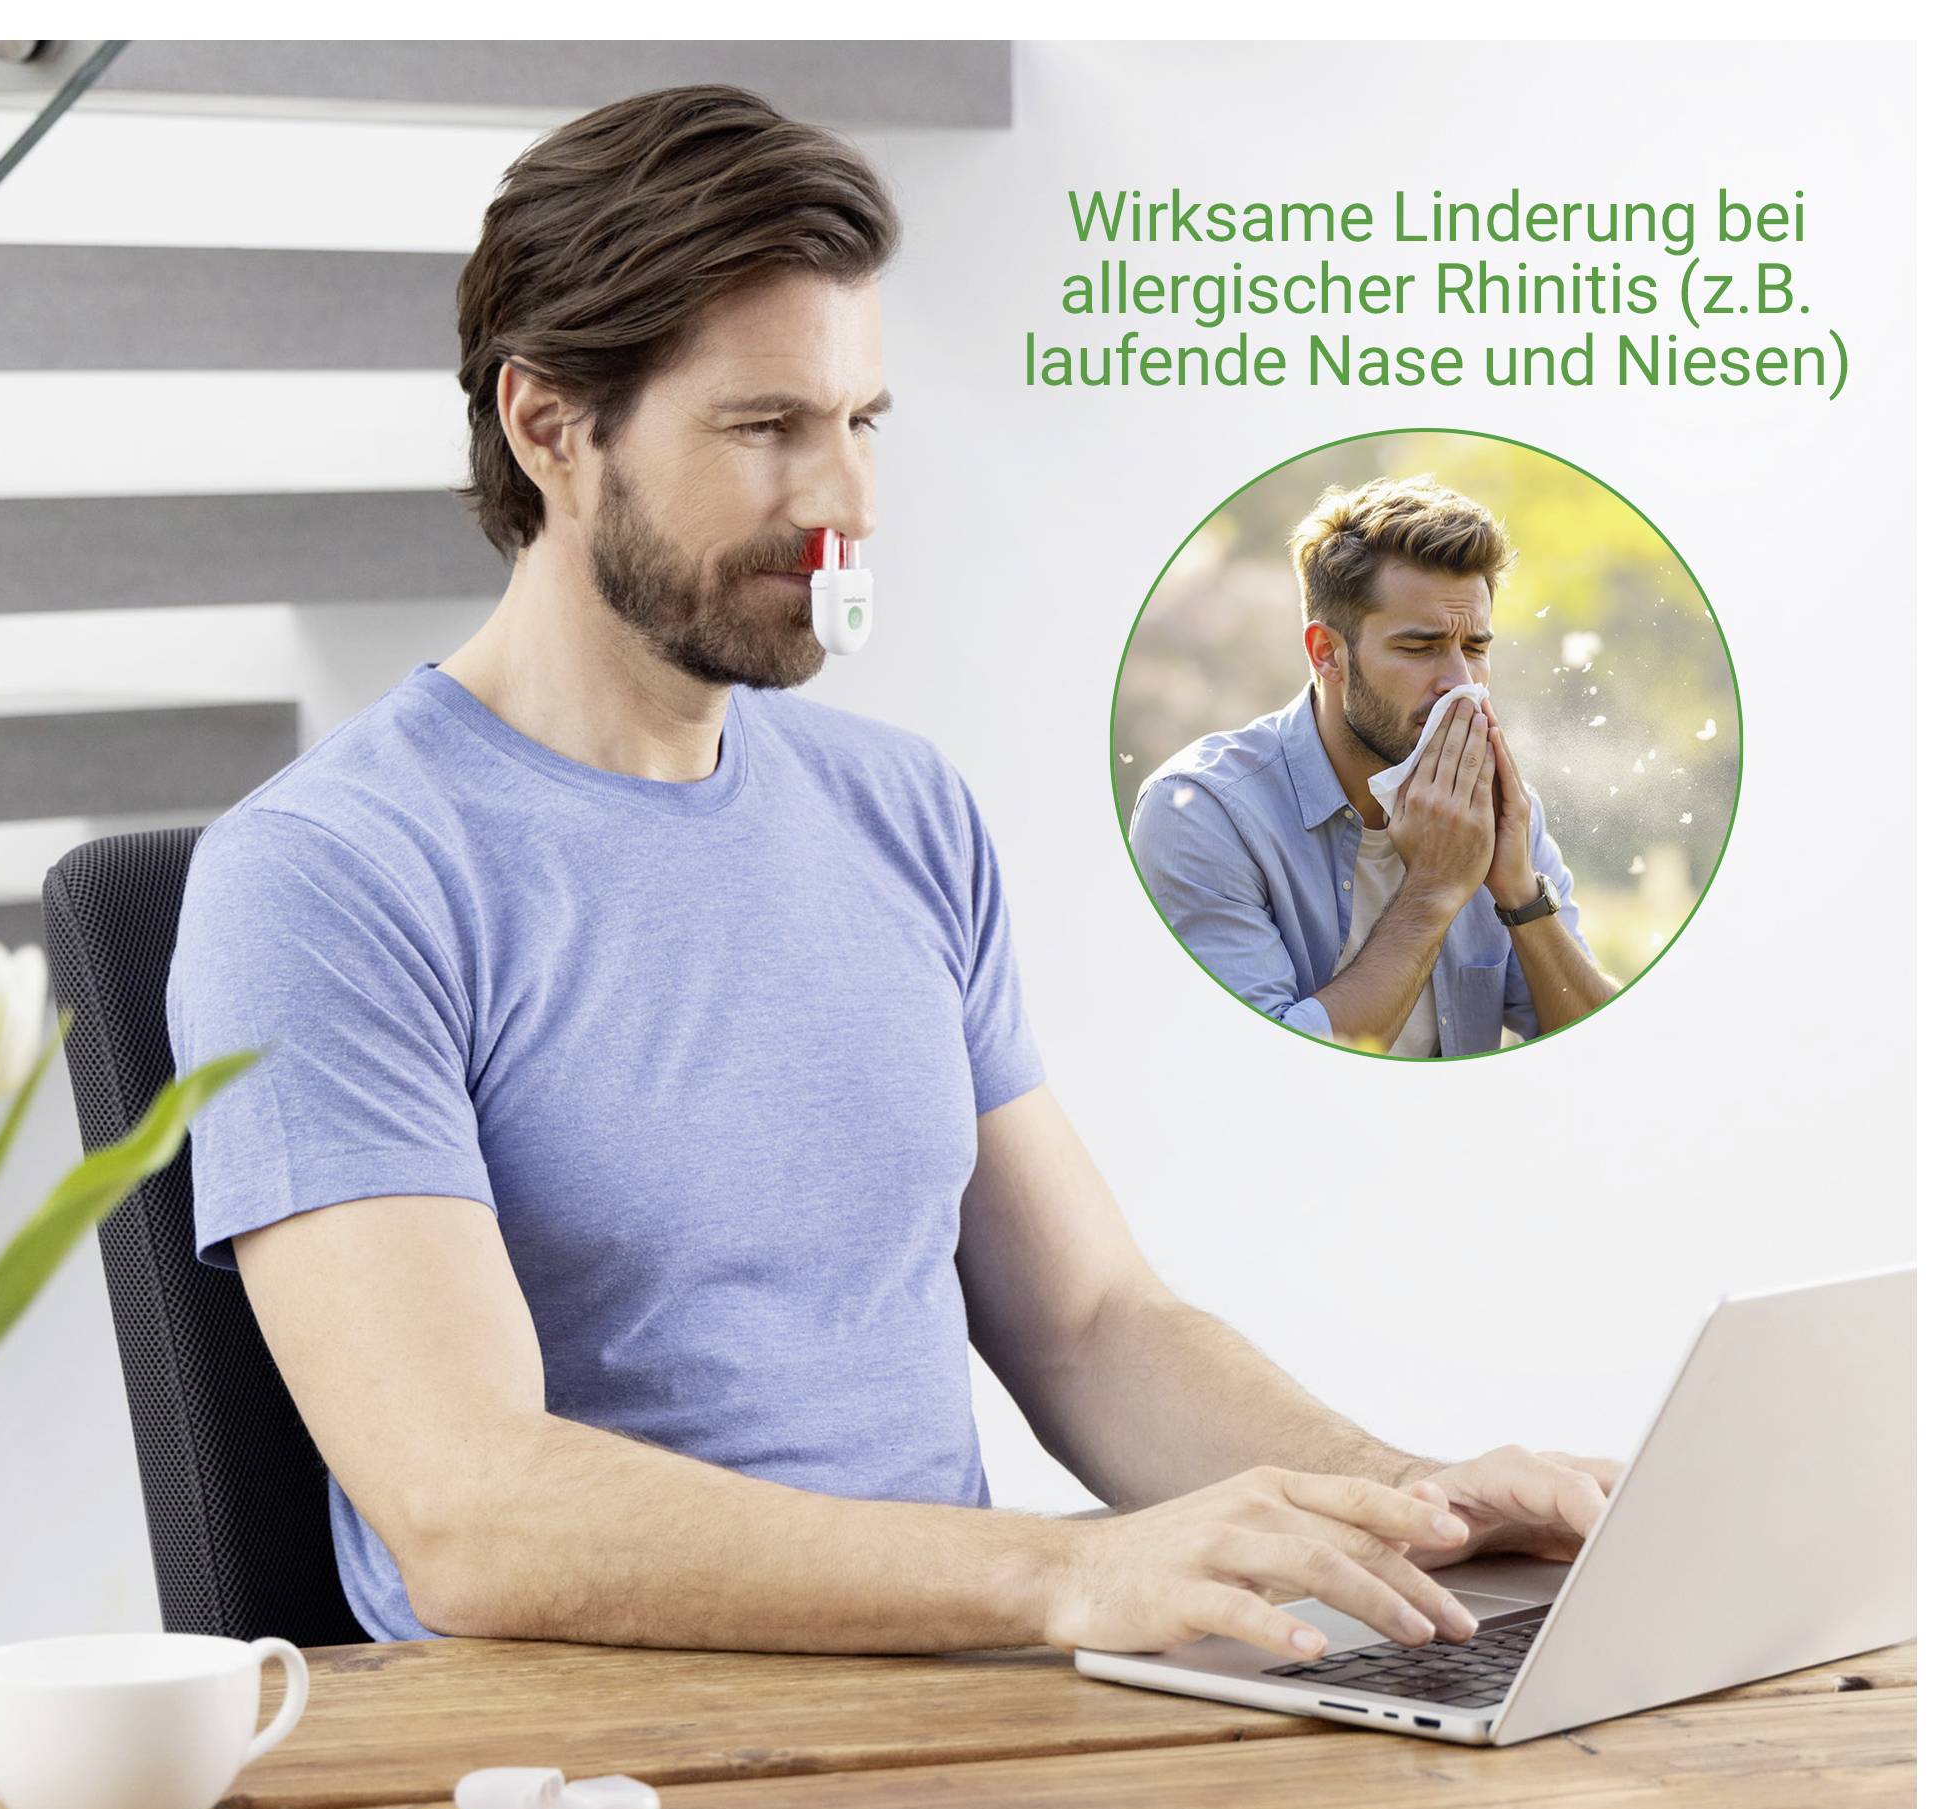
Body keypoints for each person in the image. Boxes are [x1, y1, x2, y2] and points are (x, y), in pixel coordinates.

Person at [168, 86, 1620, 1656]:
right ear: (546, 426)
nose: (844, 506)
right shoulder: (327, 880)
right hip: (597, 1771)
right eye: (762, 429)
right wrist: (1058, 1575)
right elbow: (470, 1511)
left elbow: (1086, 1325)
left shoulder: (895, 807)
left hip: (961, 1689)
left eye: (859, 424)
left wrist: (1415, 1501)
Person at [1130, 476, 1621, 1056]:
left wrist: (1519, 893)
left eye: (1476, 649)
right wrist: (1435, 886)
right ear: (1326, 654)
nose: (1460, 685)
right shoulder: (1202, 815)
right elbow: (1266, 1070)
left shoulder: (1499, 810)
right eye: (1419, 648)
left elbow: (1606, 1051)